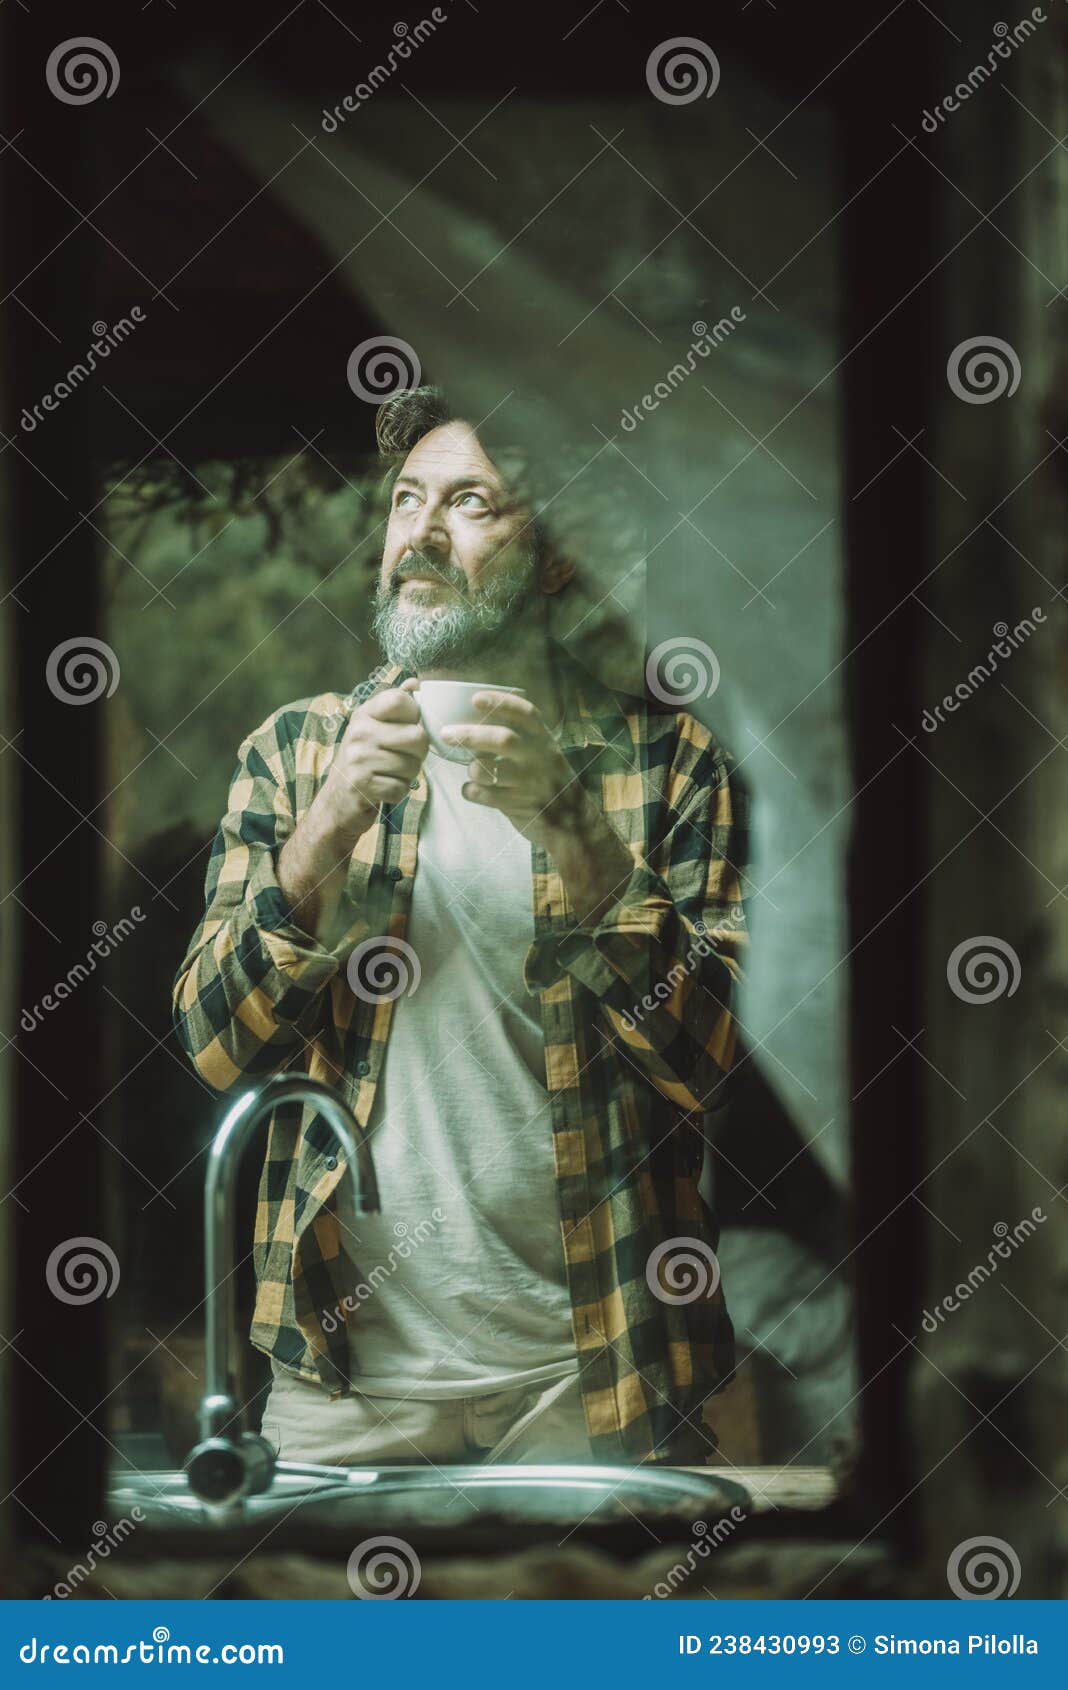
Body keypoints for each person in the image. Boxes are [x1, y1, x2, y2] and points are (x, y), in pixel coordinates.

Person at [173, 385, 749, 1467]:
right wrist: (330, 826)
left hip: (594, 1380)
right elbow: (215, 1043)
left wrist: (574, 830)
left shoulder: (670, 765)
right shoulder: (297, 756)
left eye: (472, 503)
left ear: (560, 552)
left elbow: (702, 1057)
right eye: (406, 500)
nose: (421, 535)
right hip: (345, 1389)